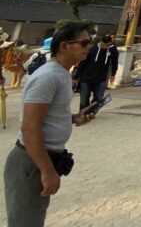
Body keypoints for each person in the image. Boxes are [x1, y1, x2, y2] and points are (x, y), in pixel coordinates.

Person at [4, 22, 96, 227]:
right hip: (31, 161)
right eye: (84, 42)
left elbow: (47, 116)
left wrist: (74, 118)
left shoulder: (62, 74)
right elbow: (29, 127)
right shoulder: (48, 76)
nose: (88, 47)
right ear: (64, 46)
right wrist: (46, 170)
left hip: (40, 158)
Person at [73, 35, 119, 110]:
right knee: (84, 99)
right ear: (100, 42)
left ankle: (91, 111)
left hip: (101, 77)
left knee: (99, 97)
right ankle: (83, 113)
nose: (104, 47)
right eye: (103, 45)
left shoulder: (112, 50)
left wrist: (113, 74)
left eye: (106, 45)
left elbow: (115, 62)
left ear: (110, 43)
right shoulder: (92, 49)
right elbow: (83, 63)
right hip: (86, 77)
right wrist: (76, 77)